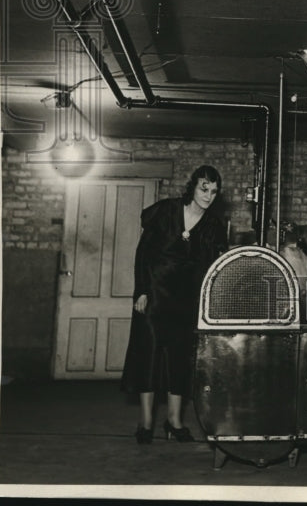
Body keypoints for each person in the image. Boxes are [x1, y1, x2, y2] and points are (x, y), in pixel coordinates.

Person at [121, 165, 227, 444]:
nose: (208, 195)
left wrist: (207, 306)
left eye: (214, 191)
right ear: (192, 187)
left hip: (187, 302)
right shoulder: (166, 211)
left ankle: (174, 422)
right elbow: (142, 254)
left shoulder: (214, 227)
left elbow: (213, 269)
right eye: (204, 188)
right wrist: (141, 291)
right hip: (154, 297)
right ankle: (145, 424)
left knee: (179, 361)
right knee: (149, 357)